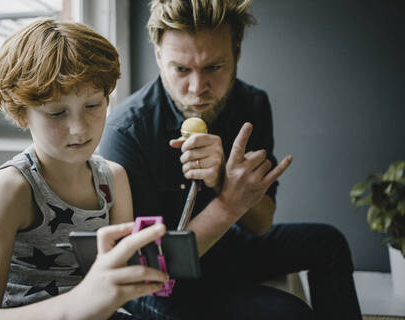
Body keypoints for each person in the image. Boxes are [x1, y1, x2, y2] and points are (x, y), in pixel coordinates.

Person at [99, 0, 362, 319]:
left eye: (213, 67)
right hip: (160, 284)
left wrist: (225, 179)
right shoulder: (127, 131)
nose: (197, 89)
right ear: (158, 56)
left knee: (328, 242)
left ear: (237, 53)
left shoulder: (251, 104)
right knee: (292, 314)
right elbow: (149, 267)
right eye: (181, 69)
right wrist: (229, 204)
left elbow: (261, 224)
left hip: (226, 246)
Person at [0, 19, 170, 320]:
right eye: (57, 112)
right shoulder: (11, 187)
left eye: (93, 106)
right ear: (21, 115)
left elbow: (120, 282)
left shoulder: (113, 178)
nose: (79, 128)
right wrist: (80, 303)